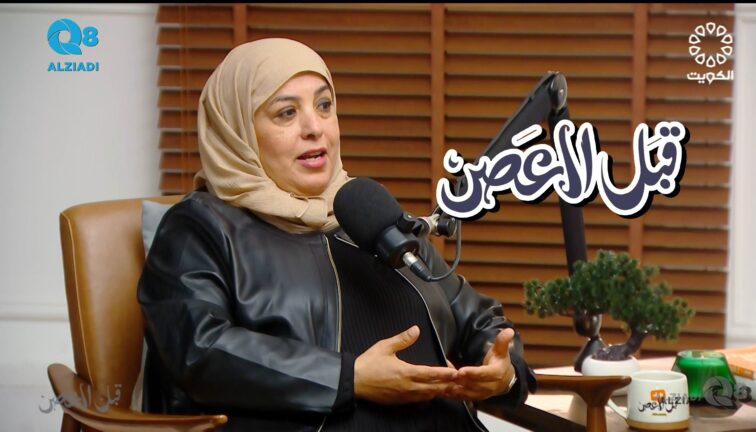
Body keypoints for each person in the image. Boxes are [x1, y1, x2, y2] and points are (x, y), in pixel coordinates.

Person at [138, 38, 536, 431]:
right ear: (238, 130)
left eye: (324, 105)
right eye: (286, 113)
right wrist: (350, 378)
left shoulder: (365, 214)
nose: (314, 128)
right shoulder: (200, 227)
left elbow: (476, 317)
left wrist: (502, 369)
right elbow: (200, 349)